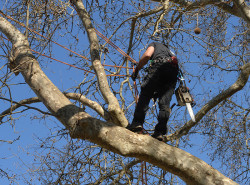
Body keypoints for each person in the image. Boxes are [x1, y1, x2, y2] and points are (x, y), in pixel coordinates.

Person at [127, 42, 179, 141]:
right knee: (164, 104)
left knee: (145, 94)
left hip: (159, 66)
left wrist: (137, 69)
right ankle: (159, 133)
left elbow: (147, 55)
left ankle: (137, 123)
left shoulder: (155, 44)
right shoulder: (171, 54)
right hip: (173, 74)